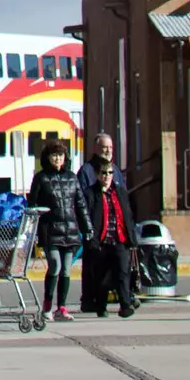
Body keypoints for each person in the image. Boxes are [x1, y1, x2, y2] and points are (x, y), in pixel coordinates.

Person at [26, 138, 89, 320]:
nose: (57, 159)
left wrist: (88, 227)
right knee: (55, 265)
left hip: (70, 230)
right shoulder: (41, 178)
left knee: (67, 270)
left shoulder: (72, 177)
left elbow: (80, 205)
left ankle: (61, 307)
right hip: (50, 230)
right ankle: (47, 305)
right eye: (54, 155)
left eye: (60, 155)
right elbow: (32, 204)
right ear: (48, 157)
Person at [80, 156, 138, 318]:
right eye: (104, 173)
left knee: (123, 273)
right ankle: (101, 306)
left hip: (120, 239)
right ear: (98, 175)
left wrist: (132, 238)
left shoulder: (120, 192)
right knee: (102, 278)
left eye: (110, 173)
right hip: (101, 241)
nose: (107, 176)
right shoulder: (91, 194)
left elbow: (129, 215)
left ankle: (125, 305)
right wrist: (91, 239)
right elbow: (86, 217)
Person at [78, 132, 128, 202]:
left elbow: (123, 195)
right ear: (95, 149)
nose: (108, 151)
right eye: (105, 147)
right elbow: (81, 198)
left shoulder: (116, 170)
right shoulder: (85, 170)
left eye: (111, 147)